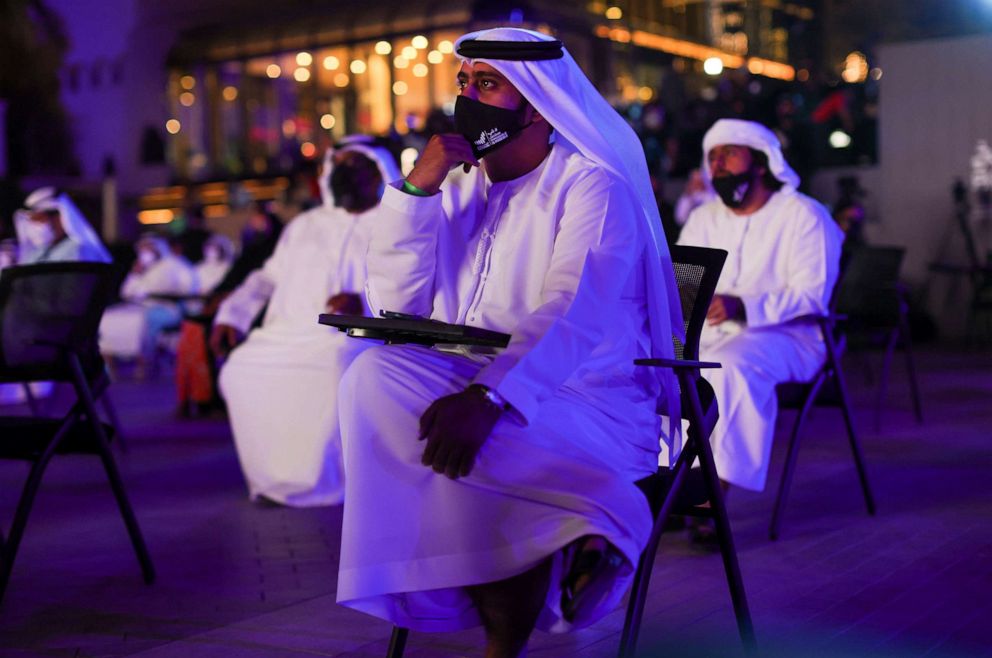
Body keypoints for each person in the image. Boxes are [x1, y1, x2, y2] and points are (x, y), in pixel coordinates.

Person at [335, 27, 682, 658]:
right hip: (474, 382)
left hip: (584, 399)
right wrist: (417, 190)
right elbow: (397, 309)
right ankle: (591, 517)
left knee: (470, 449)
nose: (466, 95)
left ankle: (600, 517)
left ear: (538, 102)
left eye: (487, 83)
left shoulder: (592, 188)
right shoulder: (461, 185)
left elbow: (570, 310)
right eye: (464, 81)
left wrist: (491, 398)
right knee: (368, 376)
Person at [210, 140, 400, 507]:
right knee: (240, 368)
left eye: (356, 164)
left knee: (339, 363)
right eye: (338, 164)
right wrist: (232, 315)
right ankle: (271, 478)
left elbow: (415, 280)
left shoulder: (397, 221)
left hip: (357, 334)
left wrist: (365, 301)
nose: (344, 172)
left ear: (379, 172)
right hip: (287, 334)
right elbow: (266, 277)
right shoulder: (305, 224)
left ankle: (336, 482)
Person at [676, 118, 843, 526]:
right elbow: (682, 284)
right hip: (712, 335)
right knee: (667, 368)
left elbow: (812, 296)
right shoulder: (703, 219)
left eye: (729, 154)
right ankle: (673, 486)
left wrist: (742, 305)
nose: (718, 165)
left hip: (792, 338)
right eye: (712, 157)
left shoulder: (805, 215)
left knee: (729, 368)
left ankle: (709, 499)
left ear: (762, 163)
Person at [98, 235, 198, 374]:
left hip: (167, 307)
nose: (145, 253)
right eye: (142, 250)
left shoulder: (173, 265)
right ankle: (109, 362)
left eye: (148, 249)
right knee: (108, 317)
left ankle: (144, 361)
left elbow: (186, 289)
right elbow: (126, 292)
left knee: (141, 322)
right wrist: (135, 274)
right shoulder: (141, 268)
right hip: (138, 306)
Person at [13, 187, 111, 264]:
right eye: (31, 221)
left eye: (38, 219)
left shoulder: (80, 251)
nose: (33, 227)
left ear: (60, 218)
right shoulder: (36, 253)